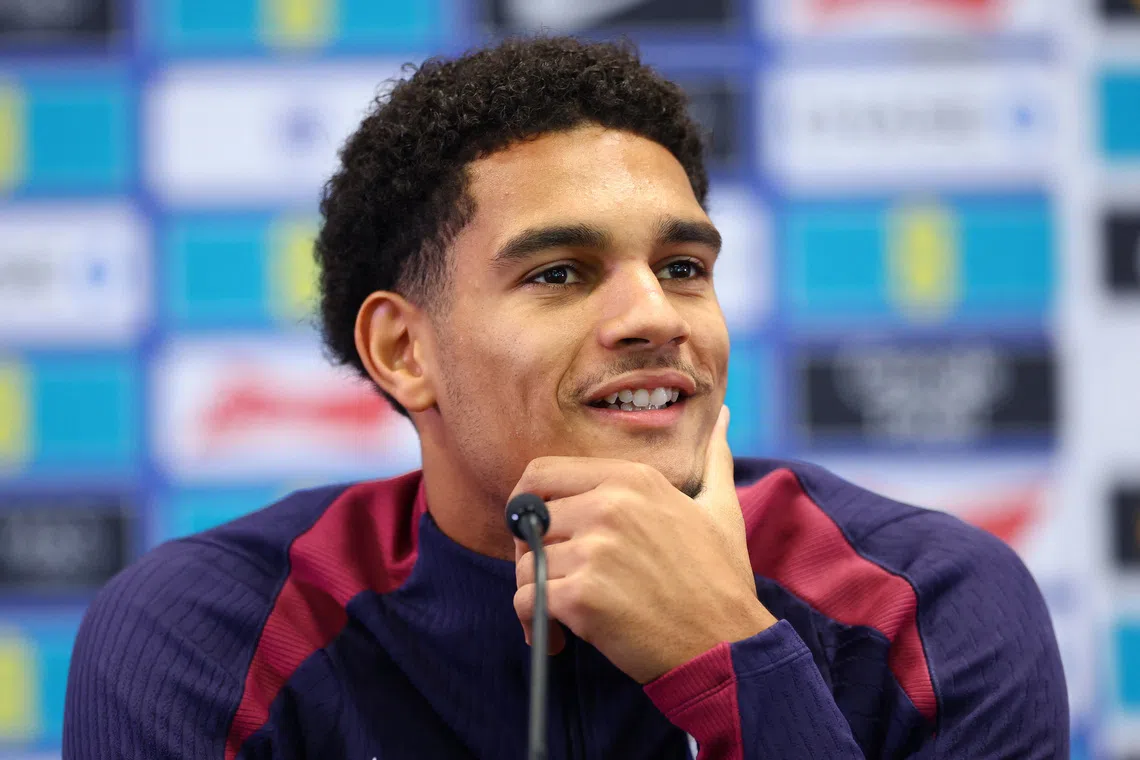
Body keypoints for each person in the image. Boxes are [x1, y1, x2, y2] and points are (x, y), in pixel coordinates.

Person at [63, 36, 1068, 759]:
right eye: (559, 274)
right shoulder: (208, 633)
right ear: (403, 349)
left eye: (682, 267)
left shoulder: (928, 606)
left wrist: (734, 662)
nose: (654, 317)